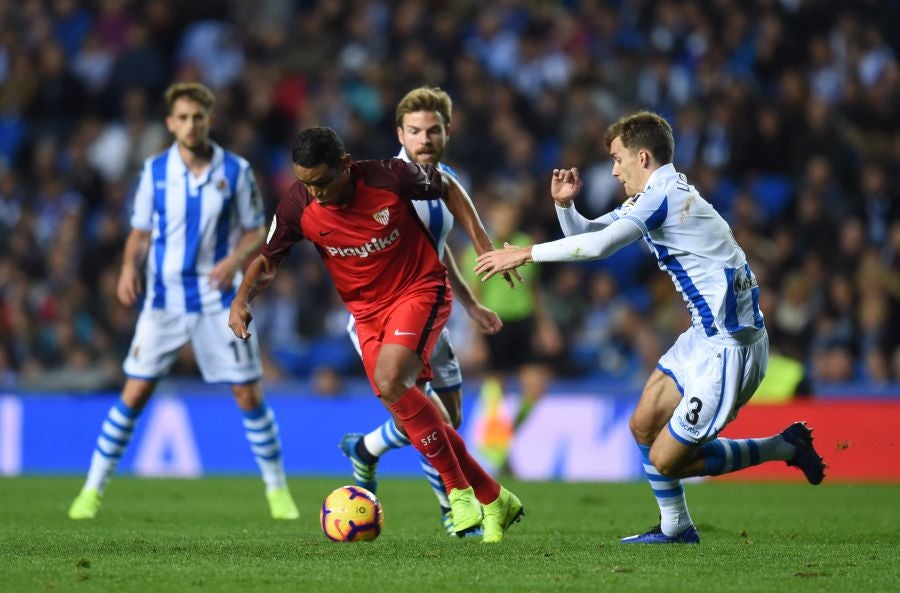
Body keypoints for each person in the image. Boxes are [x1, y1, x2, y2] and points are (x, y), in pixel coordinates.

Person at [474, 111, 826, 543]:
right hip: (702, 337)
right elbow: (592, 234)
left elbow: (599, 246)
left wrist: (526, 254)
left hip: (731, 349)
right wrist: (565, 207)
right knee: (642, 424)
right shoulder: (656, 196)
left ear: (643, 156)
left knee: (667, 460)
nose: (614, 169)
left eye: (618, 158)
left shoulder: (664, 198)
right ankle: (675, 526)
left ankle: (781, 446)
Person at [228, 126, 524, 543]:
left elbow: (450, 189)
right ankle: (494, 497)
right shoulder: (298, 204)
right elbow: (268, 259)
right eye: (306, 183)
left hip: (419, 289)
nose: (316, 193)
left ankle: (458, 492)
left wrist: (482, 244)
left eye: (323, 182)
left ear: (345, 165)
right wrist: (242, 298)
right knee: (412, 406)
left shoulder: (390, 176)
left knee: (390, 381)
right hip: (366, 313)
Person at [68, 82, 299, 521]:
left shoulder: (236, 170)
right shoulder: (155, 172)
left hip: (221, 299)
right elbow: (139, 230)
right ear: (170, 122)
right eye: (183, 117)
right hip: (165, 299)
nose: (191, 125)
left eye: (199, 117)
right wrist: (126, 268)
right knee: (134, 393)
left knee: (248, 394)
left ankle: (277, 491)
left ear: (209, 120)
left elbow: (257, 230)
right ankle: (91, 491)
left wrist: (232, 259)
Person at [338, 86, 504, 535]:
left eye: (433, 131)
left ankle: (368, 448)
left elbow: (437, 249)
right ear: (400, 133)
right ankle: (454, 510)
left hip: (430, 311)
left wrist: (470, 305)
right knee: (433, 420)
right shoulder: (382, 182)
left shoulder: (445, 180)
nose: (424, 139)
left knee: (451, 420)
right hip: (384, 317)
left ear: (447, 132)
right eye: (415, 132)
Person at [460, 200, 560, 474]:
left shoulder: (525, 244)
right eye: (500, 214)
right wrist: (476, 338)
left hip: (524, 322)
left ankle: (505, 440)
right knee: (496, 392)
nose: (505, 220)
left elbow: (535, 290)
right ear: (491, 217)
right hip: (495, 325)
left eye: (510, 214)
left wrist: (545, 326)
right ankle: (498, 453)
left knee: (536, 387)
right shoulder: (476, 250)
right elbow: (473, 296)